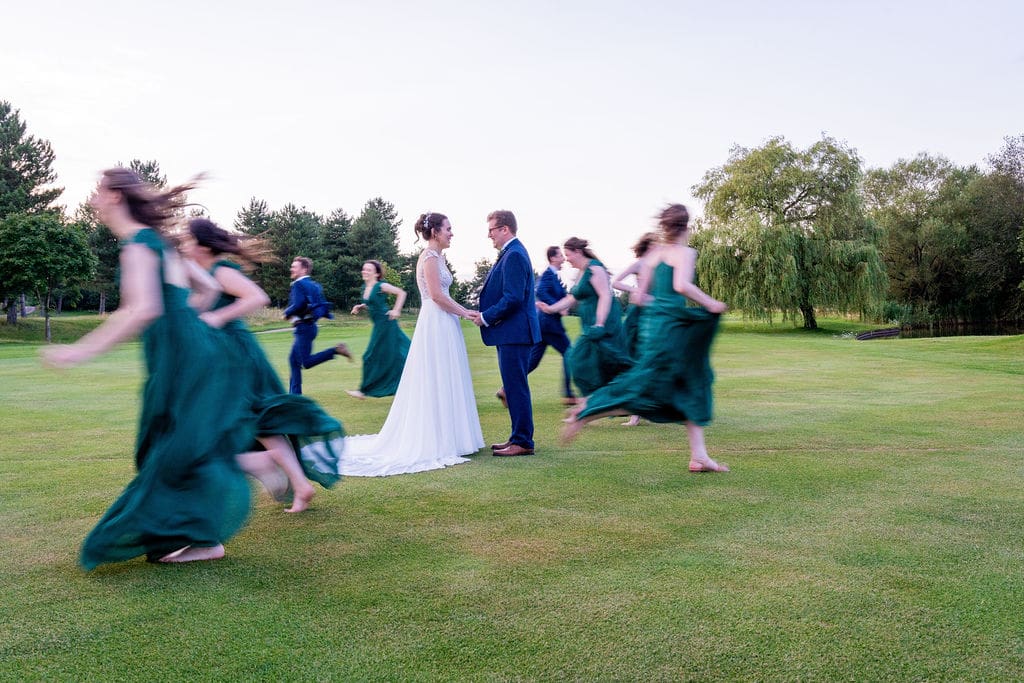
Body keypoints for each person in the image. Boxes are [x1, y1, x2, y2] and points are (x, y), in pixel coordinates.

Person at [41, 168, 256, 567]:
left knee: (170, 446)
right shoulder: (159, 241)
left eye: (98, 192)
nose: (93, 200)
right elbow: (208, 288)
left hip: (181, 356)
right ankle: (194, 533)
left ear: (115, 195)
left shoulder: (139, 244)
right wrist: (188, 323)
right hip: (188, 350)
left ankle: (203, 538)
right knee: (170, 441)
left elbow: (142, 309)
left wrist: (80, 351)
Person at [182, 218, 344, 513]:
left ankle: (276, 473)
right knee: (260, 423)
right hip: (219, 357)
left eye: (188, 240)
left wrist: (218, 317)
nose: (184, 245)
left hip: (236, 357)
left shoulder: (220, 271)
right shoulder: (202, 274)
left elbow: (257, 297)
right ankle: (297, 483)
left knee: (252, 420)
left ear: (202, 245)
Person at [563, 204, 730, 473]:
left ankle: (699, 456)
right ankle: (587, 410)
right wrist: (712, 303)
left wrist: (659, 304)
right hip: (672, 329)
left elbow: (639, 297)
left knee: (684, 382)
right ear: (686, 227)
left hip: (652, 328)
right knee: (667, 385)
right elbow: (681, 286)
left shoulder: (653, 255)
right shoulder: (685, 253)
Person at [338, 212, 483, 476]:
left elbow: (444, 294)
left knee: (447, 374)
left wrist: (463, 311)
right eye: (448, 229)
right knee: (436, 375)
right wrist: (465, 312)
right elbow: (436, 296)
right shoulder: (429, 257)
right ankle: (436, 437)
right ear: (435, 232)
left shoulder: (439, 257)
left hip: (446, 320)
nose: (451, 233)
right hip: (436, 320)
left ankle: (452, 436)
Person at [469, 210, 542, 457]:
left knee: (515, 387)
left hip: (515, 333)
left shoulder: (515, 255)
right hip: (511, 333)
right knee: (513, 386)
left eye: (491, 229)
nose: (488, 235)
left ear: (504, 229)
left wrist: (485, 317)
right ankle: (517, 437)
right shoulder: (512, 253)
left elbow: (513, 298)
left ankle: (523, 441)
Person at [537, 237, 631, 399]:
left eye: (568, 255)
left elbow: (605, 296)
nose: (566, 259)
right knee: (581, 361)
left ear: (578, 252)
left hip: (603, 324)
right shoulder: (581, 272)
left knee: (607, 363)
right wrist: (551, 309)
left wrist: (600, 323)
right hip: (589, 325)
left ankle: (613, 399)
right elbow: (571, 298)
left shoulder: (595, 269)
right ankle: (596, 400)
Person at [611, 232, 660, 426]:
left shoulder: (659, 266)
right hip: (637, 316)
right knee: (635, 360)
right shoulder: (640, 264)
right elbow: (616, 282)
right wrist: (636, 290)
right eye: (655, 244)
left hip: (654, 314)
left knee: (653, 360)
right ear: (648, 246)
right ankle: (634, 412)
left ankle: (648, 406)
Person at [284, 256, 351, 395]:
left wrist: (287, 313)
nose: (291, 269)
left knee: (306, 362)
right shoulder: (314, 285)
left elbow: (298, 304)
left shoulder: (298, 284)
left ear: (304, 270)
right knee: (293, 361)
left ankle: (336, 350)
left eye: (294, 267)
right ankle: (294, 397)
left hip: (303, 327)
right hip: (309, 327)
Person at [521, 245, 576, 406]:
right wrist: (558, 307)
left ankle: (505, 389)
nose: (563, 259)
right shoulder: (547, 275)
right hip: (549, 325)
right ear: (553, 258)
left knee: (533, 361)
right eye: (560, 256)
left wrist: (563, 303)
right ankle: (568, 394)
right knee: (569, 352)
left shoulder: (554, 277)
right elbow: (541, 292)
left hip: (545, 325)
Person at [346, 260, 410, 399]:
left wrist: (396, 310)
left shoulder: (381, 285)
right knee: (397, 355)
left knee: (371, 356)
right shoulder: (365, 287)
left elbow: (401, 293)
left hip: (386, 324)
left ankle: (363, 391)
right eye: (364, 269)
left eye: (369, 270)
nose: (365, 272)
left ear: (376, 273)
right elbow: (373, 303)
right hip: (379, 326)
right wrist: (360, 306)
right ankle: (407, 384)